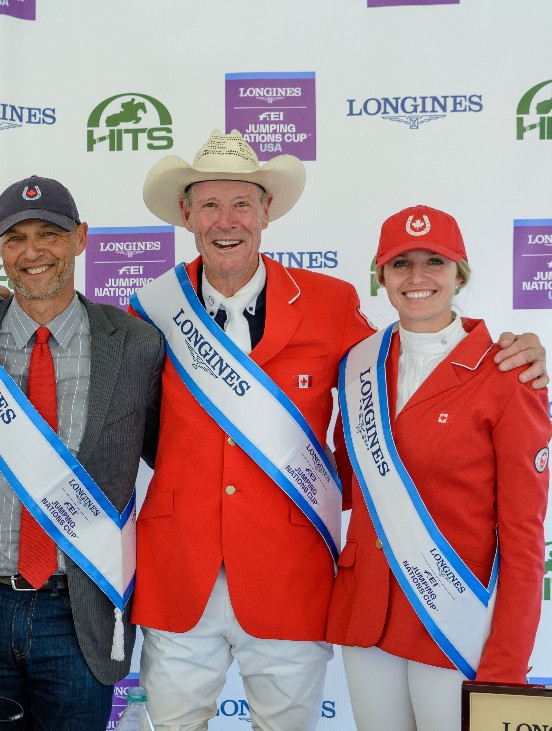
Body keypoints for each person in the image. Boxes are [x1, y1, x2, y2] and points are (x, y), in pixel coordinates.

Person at [128, 131, 548, 731]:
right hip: (177, 571)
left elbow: (399, 375)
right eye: (211, 204)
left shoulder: (329, 304)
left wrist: (519, 349)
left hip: (289, 573)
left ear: (266, 212)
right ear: (186, 214)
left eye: (242, 203)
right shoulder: (147, 312)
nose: (228, 220)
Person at [0, 175, 163, 730]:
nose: (32, 252)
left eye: (50, 234)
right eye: (15, 239)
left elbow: (172, 456)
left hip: (80, 606)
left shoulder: (135, 345)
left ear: (80, 238)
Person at [326, 205, 551, 730]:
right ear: (381, 275)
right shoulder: (359, 363)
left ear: (460, 274)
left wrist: (507, 666)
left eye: (436, 262)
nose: (418, 277)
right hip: (367, 618)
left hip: (454, 620)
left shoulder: (508, 374)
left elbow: (523, 536)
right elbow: (350, 483)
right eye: (401, 263)